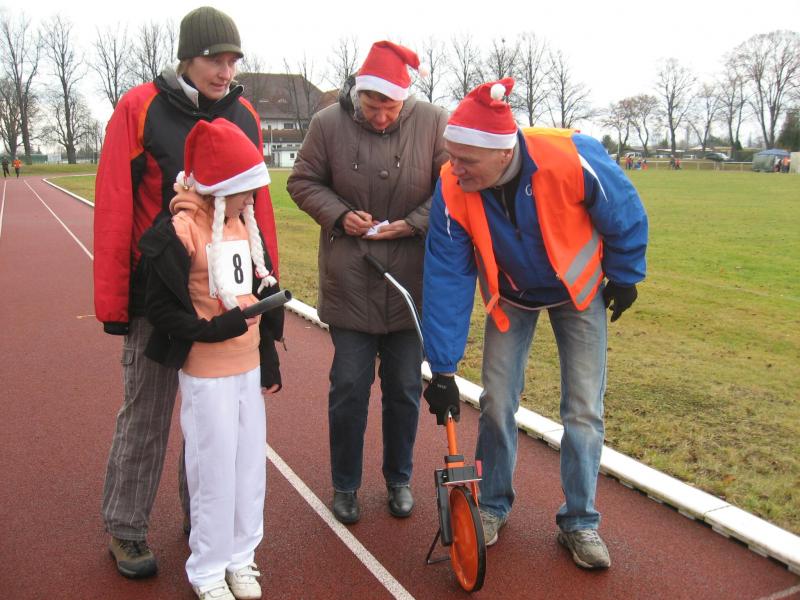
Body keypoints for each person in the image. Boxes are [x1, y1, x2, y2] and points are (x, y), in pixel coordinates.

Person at [421, 78, 648, 570]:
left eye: (466, 159)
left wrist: (626, 274)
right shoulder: (451, 186)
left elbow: (624, 208)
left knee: (583, 409)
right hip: (513, 296)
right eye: (451, 156)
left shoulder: (571, 156)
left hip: (579, 291)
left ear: (503, 153)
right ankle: (492, 505)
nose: (455, 168)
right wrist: (442, 367)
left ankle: (580, 521)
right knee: (497, 401)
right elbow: (447, 276)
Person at [93, 6, 279, 580]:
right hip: (162, 295)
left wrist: (265, 289)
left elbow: (258, 211)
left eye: (233, 61)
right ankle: (126, 527)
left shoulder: (244, 114)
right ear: (186, 58)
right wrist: (116, 303)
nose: (226, 71)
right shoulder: (139, 107)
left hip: (224, 299)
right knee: (147, 413)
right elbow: (115, 203)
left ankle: (204, 520)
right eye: (214, 60)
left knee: (212, 423)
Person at [287, 40, 448, 524]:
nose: (380, 117)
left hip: (408, 285)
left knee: (404, 389)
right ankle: (345, 485)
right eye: (372, 105)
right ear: (358, 94)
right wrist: (339, 215)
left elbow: (452, 187)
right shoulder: (326, 124)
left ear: (405, 100)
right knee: (349, 388)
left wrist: (414, 223)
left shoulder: (434, 122)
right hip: (351, 280)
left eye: (390, 108)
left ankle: (399, 479)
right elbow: (302, 181)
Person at [139, 118, 282, 600]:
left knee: (249, 468)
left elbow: (253, 292)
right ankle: (207, 570)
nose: (251, 200)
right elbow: (159, 309)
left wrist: (268, 351)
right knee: (214, 470)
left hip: (247, 365)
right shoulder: (179, 231)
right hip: (207, 371)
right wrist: (210, 330)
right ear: (221, 189)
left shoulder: (242, 223)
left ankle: (242, 557)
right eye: (245, 191)